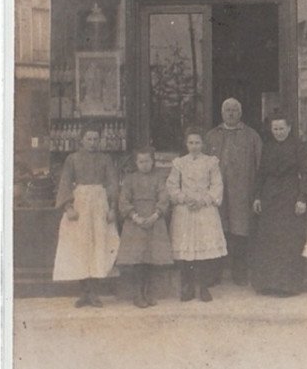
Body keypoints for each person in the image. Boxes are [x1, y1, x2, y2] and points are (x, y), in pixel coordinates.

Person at [53, 124, 120, 307]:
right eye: (89, 139)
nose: (92, 143)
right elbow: (65, 182)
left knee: (98, 244)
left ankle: (94, 292)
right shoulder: (72, 159)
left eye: (95, 139)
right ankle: (84, 292)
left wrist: (113, 208)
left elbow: (113, 184)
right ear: (82, 140)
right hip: (80, 204)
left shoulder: (106, 159)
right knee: (80, 246)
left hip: (99, 203)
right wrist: (68, 207)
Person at [251, 112, 307, 296]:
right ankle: (268, 284)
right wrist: (257, 196)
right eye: (275, 129)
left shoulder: (299, 147)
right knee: (269, 240)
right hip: (270, 197)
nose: (278, 132)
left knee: (288, 241)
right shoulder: (268, 147)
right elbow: (261, 173)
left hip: (290, 196)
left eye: (281, 128)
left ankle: (288, 286)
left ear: (289, 128)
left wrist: (303, 198)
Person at [205, 98, 262, 286]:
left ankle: (239, 274)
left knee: (240, 232)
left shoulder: (251, 136)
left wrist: (256, 193)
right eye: (227, 110)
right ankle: (214, 274)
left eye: (235, 110)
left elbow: (260, 166)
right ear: (222, 113)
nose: (231, 113)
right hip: (217, 194)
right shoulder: (212, 136)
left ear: (240, 113)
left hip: (242, 192)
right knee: (216, 230)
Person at [167, 127, 228, 302]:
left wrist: (203, 200)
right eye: (191, 143)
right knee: (187, 249)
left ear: (203, 144)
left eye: (197, 142)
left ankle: (203, 287)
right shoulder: (179, 163)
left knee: (203, 248)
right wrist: (184, 198)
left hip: (204, 210)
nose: (194, 146)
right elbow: (172, 186)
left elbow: (217, 186)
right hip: (185, 209)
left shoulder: (211, 162)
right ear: (186, 144)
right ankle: (187, 286)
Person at [115, 147, 173, 308]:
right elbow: (124, 200)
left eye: (147, 161)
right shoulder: (130, 179)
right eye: (141, 161)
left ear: (152, 162)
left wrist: (156, 215)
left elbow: (164, 198)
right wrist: (135, 217)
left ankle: (148, 292)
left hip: (154, 219)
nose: (144, 164)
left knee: (150, 258)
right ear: (136, 163)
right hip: (135, 222)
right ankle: (137, 294)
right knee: (137, 259)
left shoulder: (159, 178)